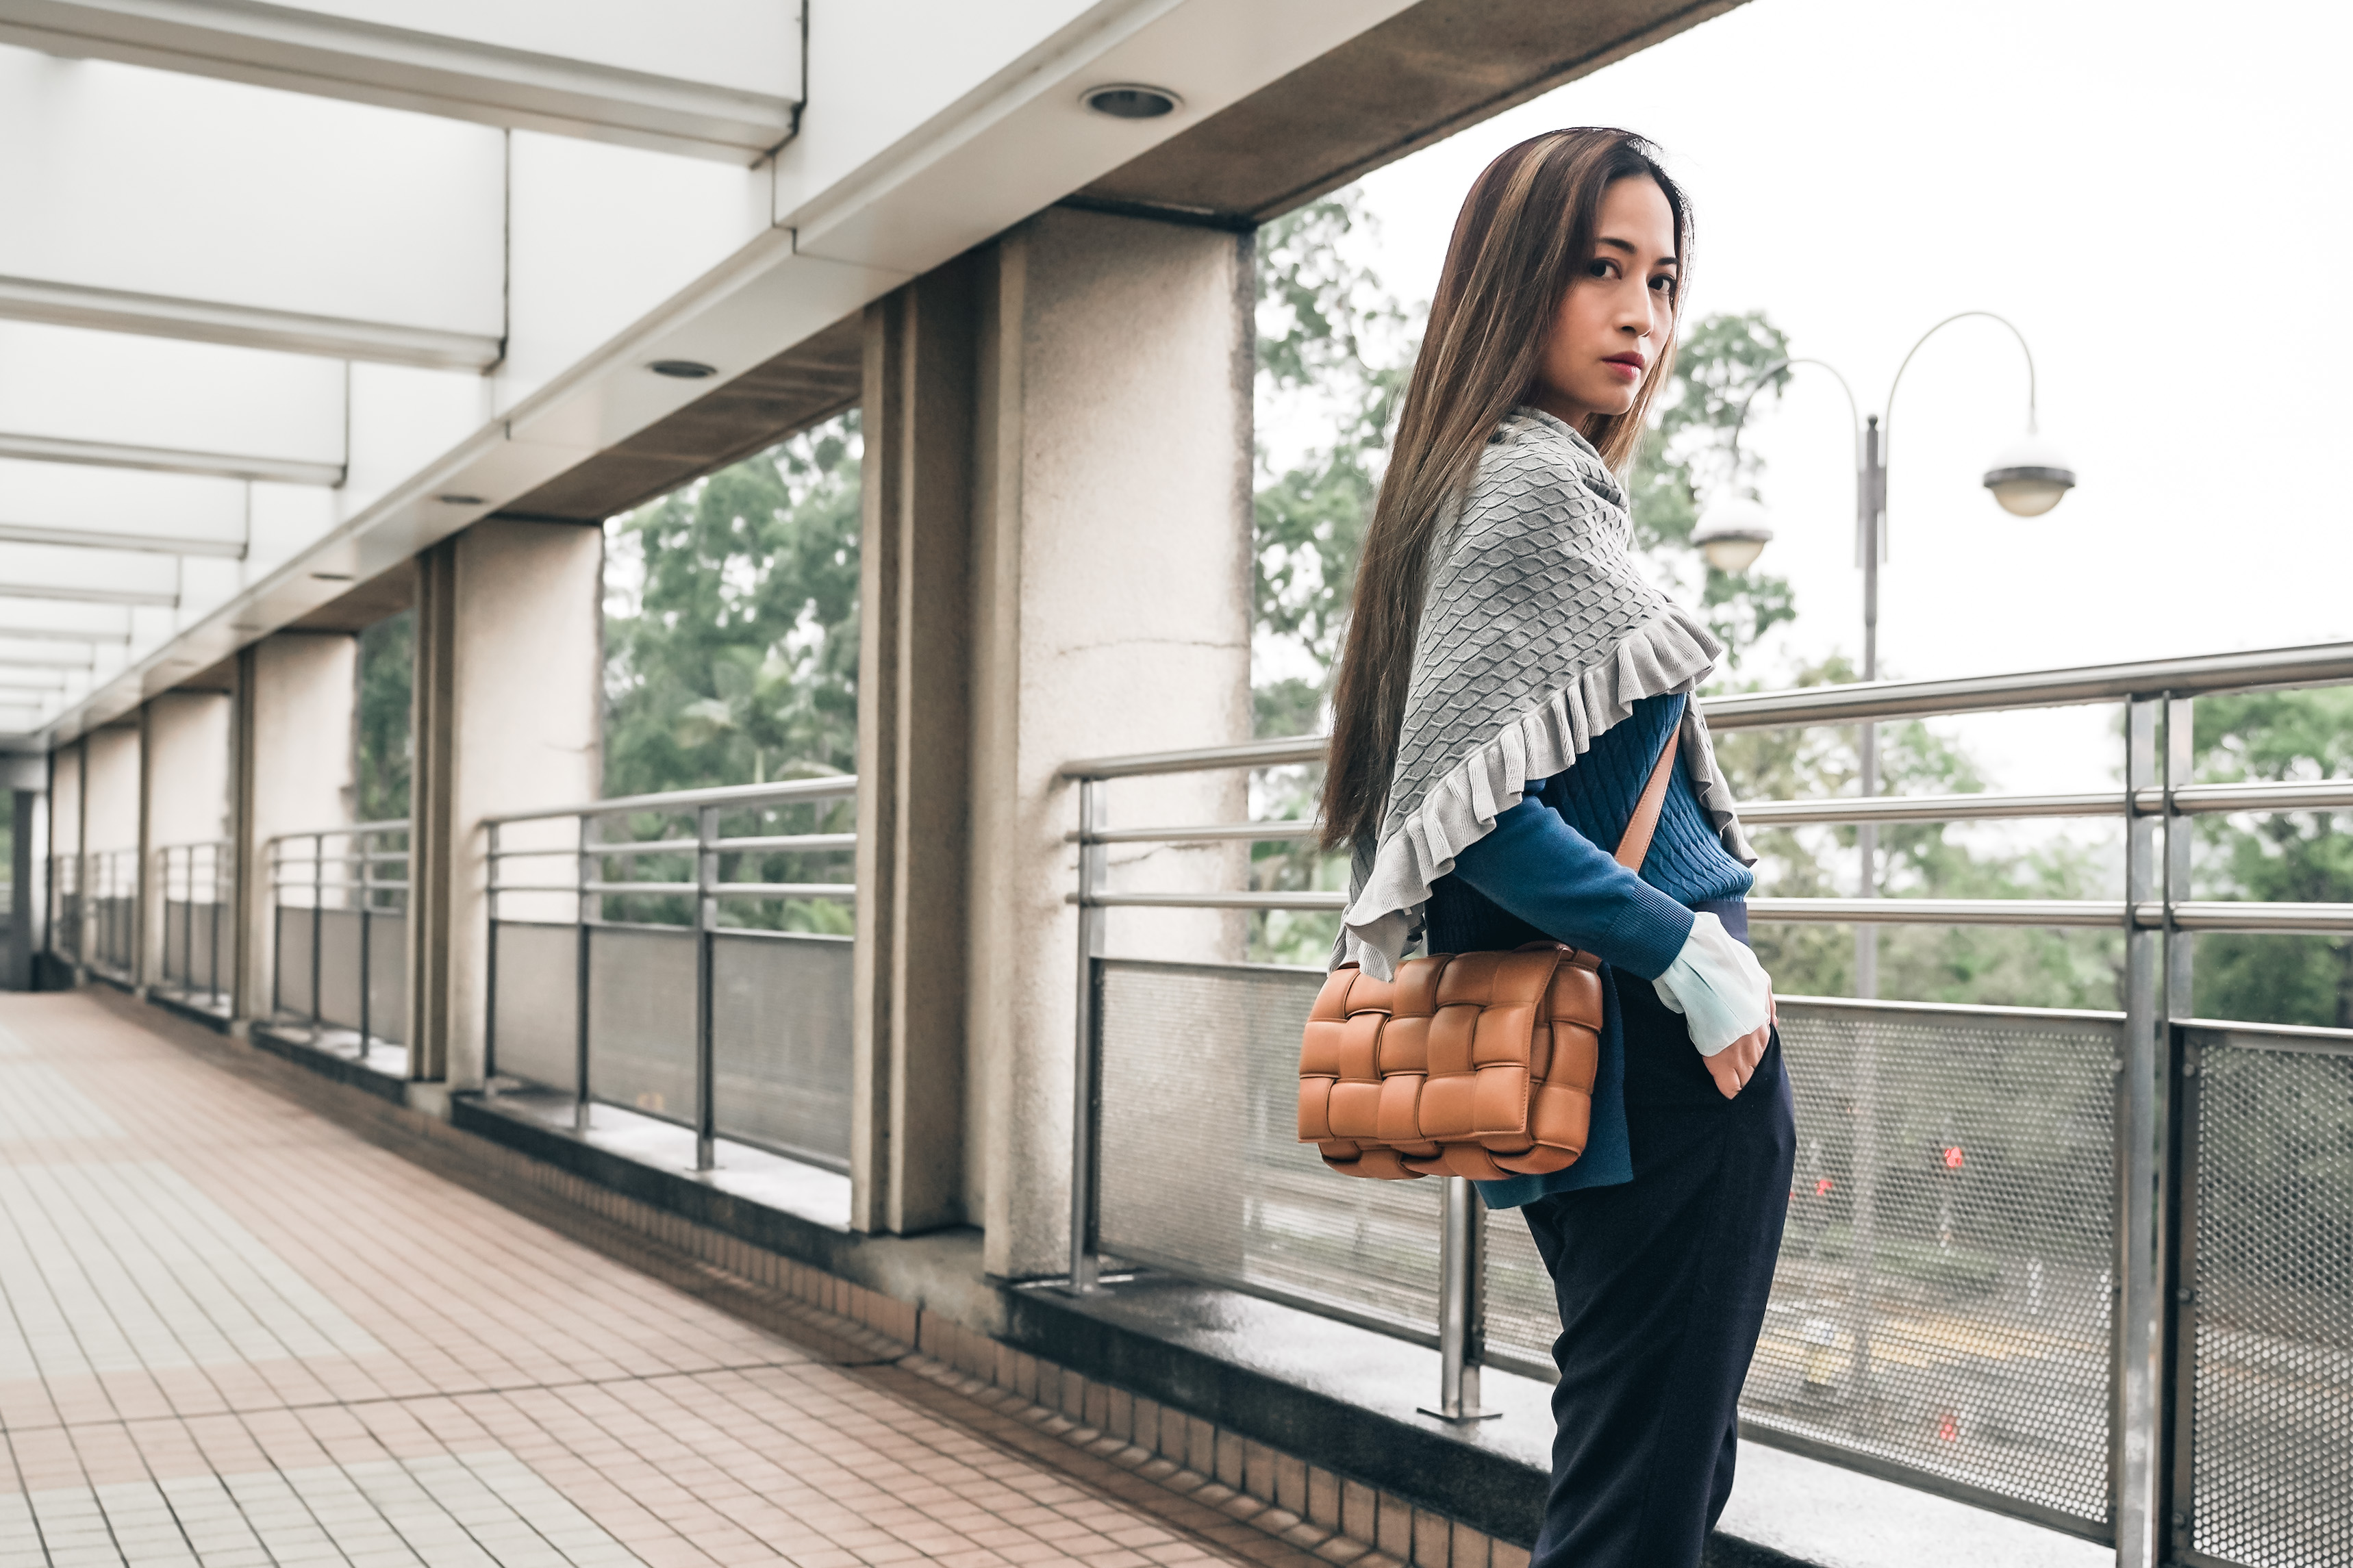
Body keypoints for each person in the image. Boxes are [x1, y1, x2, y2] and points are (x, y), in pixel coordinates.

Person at [1319, 127, 1795, 1568]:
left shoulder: (1474, 481)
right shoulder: (1529, 488)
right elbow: (1460, 813)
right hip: (1660, 1055)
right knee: (1639, 1500)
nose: (1640, 314)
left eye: (1658, 277)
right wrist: (1686, 953)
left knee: (1646, 1465)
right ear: (1511, 281)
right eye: (1599, 270)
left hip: (1607, 1063)